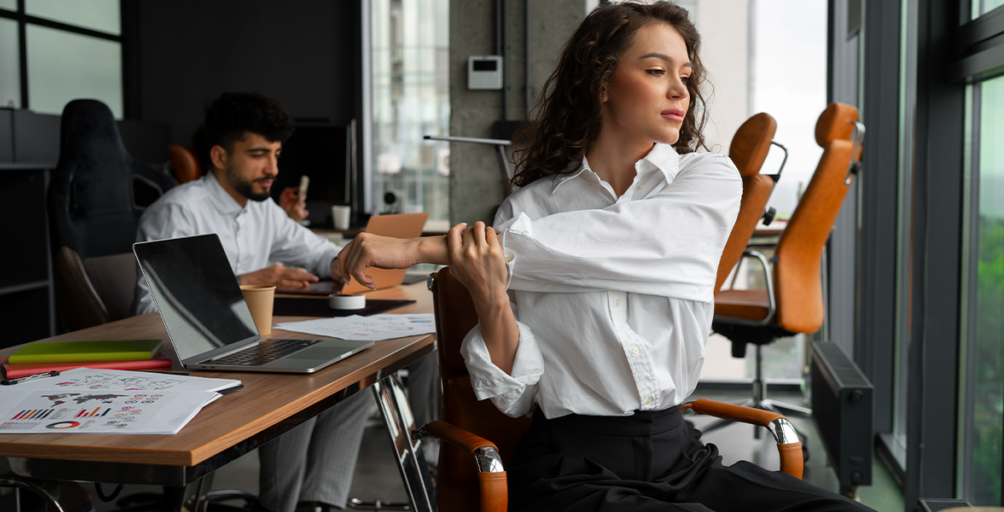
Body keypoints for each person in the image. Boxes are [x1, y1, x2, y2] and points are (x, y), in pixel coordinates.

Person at [336, 2, 872, 511]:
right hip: (568, 467)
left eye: (686, 75)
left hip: (682, 457)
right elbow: (515, 396)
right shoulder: (527, 209)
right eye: (658, 70)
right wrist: (489, 292)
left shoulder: (707, 179)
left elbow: (634, 241)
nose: (680, 90)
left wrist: (421, 248)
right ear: (601, 83)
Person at [131, 92, 371, 512]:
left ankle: (319, 504)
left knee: (359, 382)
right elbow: (146, 316)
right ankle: (281, 505)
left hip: (247, 349)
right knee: (307, 387)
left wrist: (351, 257)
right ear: (220, 156)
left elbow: (316, 253)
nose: (274, 169)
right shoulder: (179, 213)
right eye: (259, 155)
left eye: (277, 154)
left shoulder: (262, 211)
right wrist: (243, 284)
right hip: (192, 361)